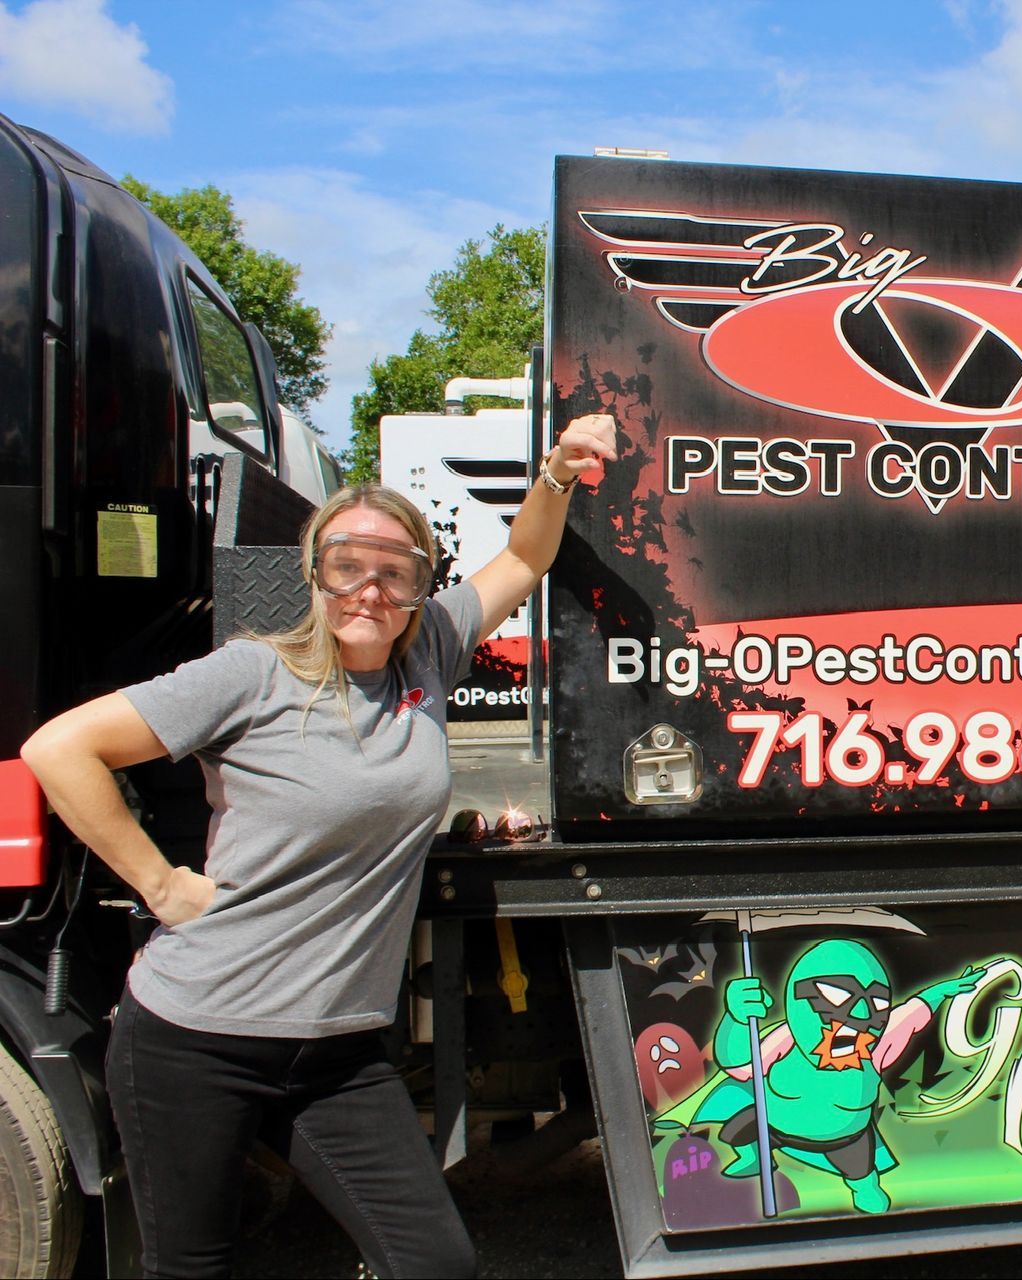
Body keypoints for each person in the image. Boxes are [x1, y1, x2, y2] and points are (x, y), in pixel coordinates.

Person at [21, 413, 617, 1279]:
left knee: (435, 1262)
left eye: (394, 571)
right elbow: (58, 750)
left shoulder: (430, 656)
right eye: (347, 568)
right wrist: (159, 882)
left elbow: (524, 558)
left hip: (335, 1055)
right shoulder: (253, 673)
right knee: (191, 1268)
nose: (368, 591)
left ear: (420, 582)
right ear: (313, 575)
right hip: (195, 1037)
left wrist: (558, 473)